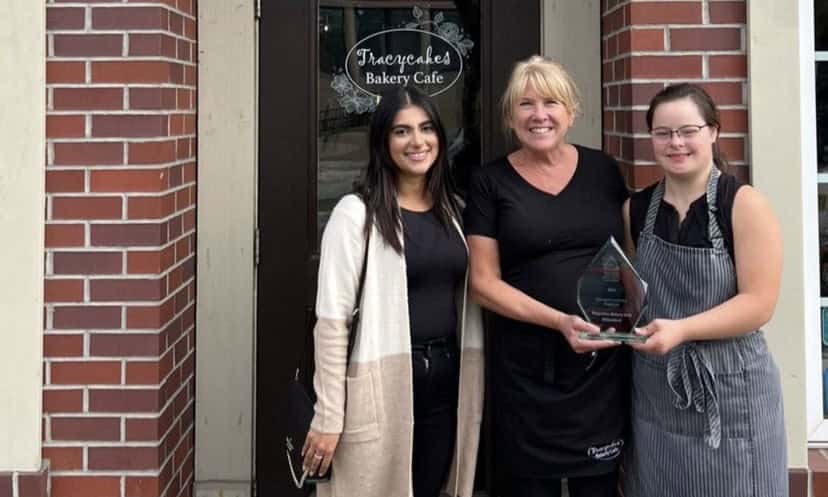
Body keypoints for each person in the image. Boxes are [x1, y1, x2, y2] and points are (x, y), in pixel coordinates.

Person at [302, 86, 484, 497]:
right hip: (380, 389)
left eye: (426, 129)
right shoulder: (356, 214)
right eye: (401, 132)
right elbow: (330, 324)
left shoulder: (453, 211)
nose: (417, 142)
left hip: (447, 384)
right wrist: (329, 414)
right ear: (384, 143)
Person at [465, 55, 630, 497]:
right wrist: (559, 321)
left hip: (600, 366)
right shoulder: (489, 182)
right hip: (526, 367)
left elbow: (629, 258)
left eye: (552, 102)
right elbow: (483, 282)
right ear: (509, 117)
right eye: (526, 104)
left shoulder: (604, 171)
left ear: (571, 112)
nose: (539, 115)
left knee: (597, 487)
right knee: (527, 486)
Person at [622, 83, 787, 496]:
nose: (675, 143)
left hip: (732, 390)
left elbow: (759, 303)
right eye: (662, 133)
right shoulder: (636, 210)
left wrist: (681, 329)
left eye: (688, 130)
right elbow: (633, 300)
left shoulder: (743, 204)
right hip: (658, 390)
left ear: (713, 131)